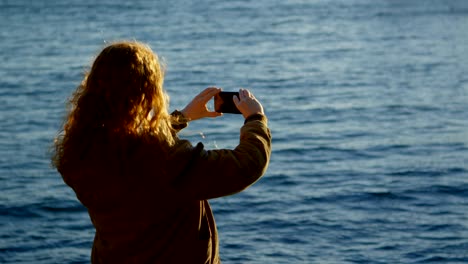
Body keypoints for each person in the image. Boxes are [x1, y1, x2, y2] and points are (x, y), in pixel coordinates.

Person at [52, 41, 271, 263]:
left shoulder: (82, 151)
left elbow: (131, 146)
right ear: (146, 93)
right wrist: (255, 119)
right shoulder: (165, 161)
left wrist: (181, 118)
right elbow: (246, 165)